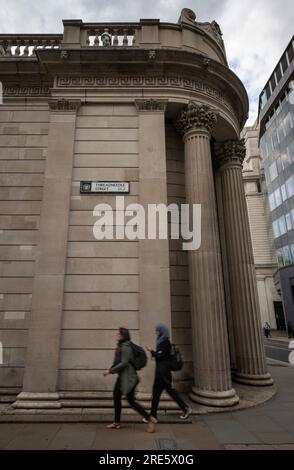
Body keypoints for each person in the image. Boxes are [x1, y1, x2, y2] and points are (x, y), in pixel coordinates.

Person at [146, 323, 192, 433]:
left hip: (163, 374)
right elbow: (159, 357)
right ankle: (153, 416)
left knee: (165, 393)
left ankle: (185, 408)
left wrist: (151, 350)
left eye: (157, 330)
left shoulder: (164, 342)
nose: (155, 332)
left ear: (161, 331)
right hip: (161, 373)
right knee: (158, 394)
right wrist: (154, 353)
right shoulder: (161, 341)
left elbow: (160, 355)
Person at [103, 327, 149, 429]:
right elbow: (119, 362)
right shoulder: (121, 346)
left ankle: (149, 418)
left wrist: (109, 371)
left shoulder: (126, 346)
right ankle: (117, 422)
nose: (116, 335)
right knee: (117, 397)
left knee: (130, 400)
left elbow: (124, 363)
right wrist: (111, 369)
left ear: (123, 336)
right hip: (123, 377)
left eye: (118, 334)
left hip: (128, 378)